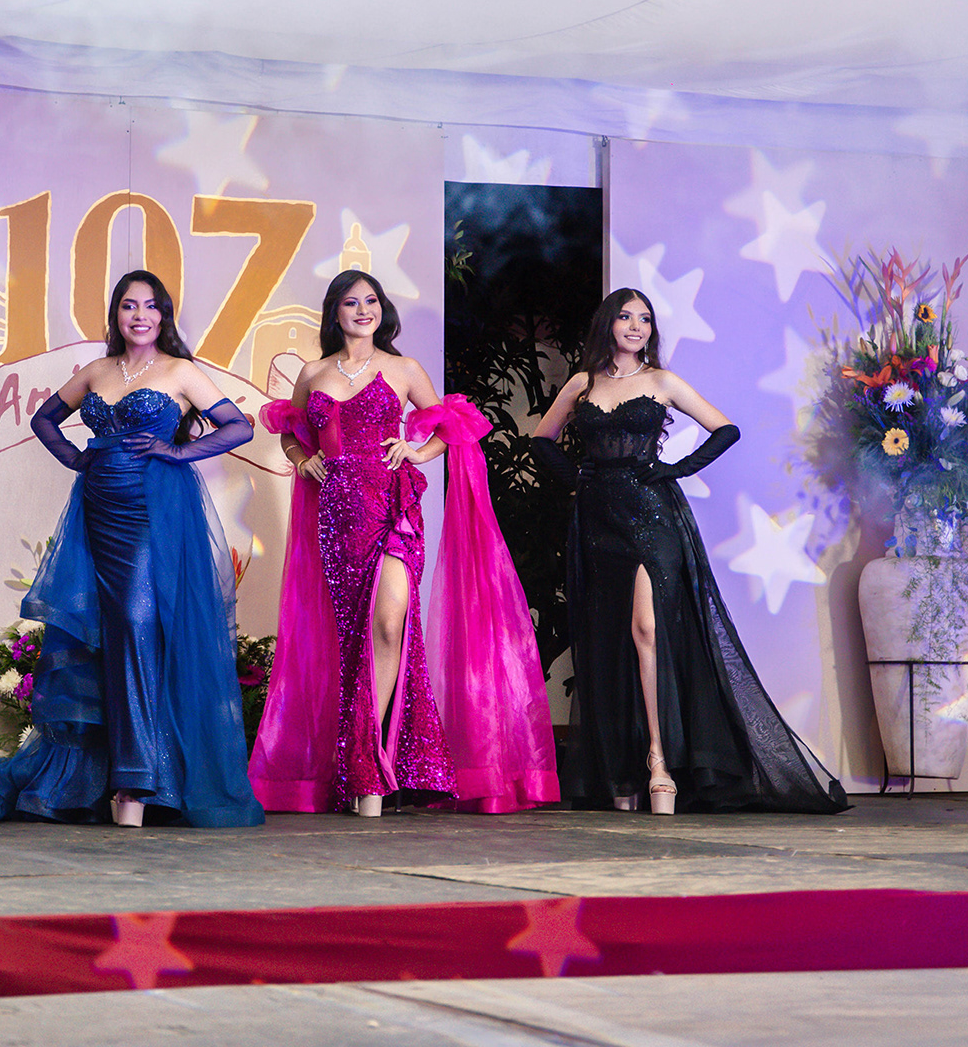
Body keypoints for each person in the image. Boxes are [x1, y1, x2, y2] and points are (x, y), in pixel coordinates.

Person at [0, 271, 264, 828]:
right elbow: (44, 419)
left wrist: (177, 451)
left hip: (151, 509)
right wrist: (75, 458)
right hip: (97, 509)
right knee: (101, 636)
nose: (140, 315)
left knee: (137, 626)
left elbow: (239, 427)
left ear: (164, 315)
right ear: (116, 314)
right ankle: (106, 780)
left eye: (150, 306)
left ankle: (136, 785)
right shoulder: (97, 371)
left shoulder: (180, 371)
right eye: (128, 306)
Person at [248, 270, 558, 816]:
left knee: (390, 624)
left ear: (382, 309)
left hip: (394, 510)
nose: (362, 310)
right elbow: (291, 431)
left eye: (371, 301)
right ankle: (360, 768)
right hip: (338, 519)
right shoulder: (314, 373)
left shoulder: (403, 368)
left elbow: (453, 425)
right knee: (351, 639)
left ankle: (366, 763)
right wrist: (303, 459)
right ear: (335, 311)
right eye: (351, 302)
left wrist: (416, 453)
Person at [531, 288, 847, 814]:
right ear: (608, 323)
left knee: (647, 630)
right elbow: (542, 440)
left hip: (652, 518)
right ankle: (622, 771)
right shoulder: (583, 383)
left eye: (645, 319)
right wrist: (577, 481)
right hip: (598, 524)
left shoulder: (663, 381)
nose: (636, 326)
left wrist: (674, 470)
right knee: (608, 641)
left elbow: (726, 429)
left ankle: (660, 763)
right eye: (626, 317)